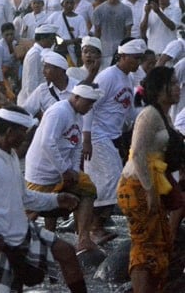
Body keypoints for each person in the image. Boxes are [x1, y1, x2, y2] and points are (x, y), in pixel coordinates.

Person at [0, 105, 86, 293]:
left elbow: (24, 197)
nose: (26, 137)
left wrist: (56, 199)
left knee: (67, 252)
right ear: (10, 132)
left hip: (22, 231)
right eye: (23, 132)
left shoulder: (10, 155)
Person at [118, 66, 181, 292]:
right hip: (137, 186)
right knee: (144, 245)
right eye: (172, 83)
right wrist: (150, 190)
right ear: (158, 89)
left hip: (153, 184)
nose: (178, 87)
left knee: (159, 243)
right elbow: (137, 154)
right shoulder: (149, 115)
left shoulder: (165, 116)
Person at [25, 83, 103, 253]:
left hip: (63, 171)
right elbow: (47, 142)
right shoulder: (58, 112)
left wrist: (74, 170)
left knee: (88, 189)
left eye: (92, 104)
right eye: (88, 103)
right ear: (76, 98)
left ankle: (83, 239)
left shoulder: (78, 117)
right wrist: (64, 170)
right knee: (31, 212)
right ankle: (15, 243)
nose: (90, 107)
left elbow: (76, 146)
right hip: (42, 173)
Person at [83, 38, 145, 244]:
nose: (137, 62)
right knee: (112, 181)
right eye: (135, 58)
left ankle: (91, 226)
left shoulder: (128, 79)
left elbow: (126, 112)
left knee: (107, 182)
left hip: (113, 136)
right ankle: (94, 227)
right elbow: (89, 105)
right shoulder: (108, 76)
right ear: (123, 56)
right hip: (98, 135)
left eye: (139, 59)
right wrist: (87, 137)